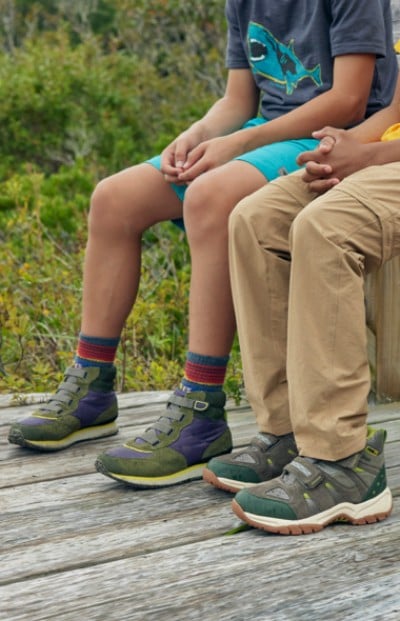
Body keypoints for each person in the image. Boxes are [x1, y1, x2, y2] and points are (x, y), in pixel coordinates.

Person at [8, 1, 398, 490]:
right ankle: (91, 387)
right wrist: (197, 136)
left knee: (209, 197)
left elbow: (349, 100)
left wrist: (236, 146)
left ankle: (200, 407)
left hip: (328, 136)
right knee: (113, 200)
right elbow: (238, 101)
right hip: (262, 134)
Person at [203, 72, 400, 534]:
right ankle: (290, 431)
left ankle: (343, 462)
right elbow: (394, 114)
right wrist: (336, 153)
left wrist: (369, 157)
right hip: (384, 159)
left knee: (328, 225)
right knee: (256, 218)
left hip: (387, 163)